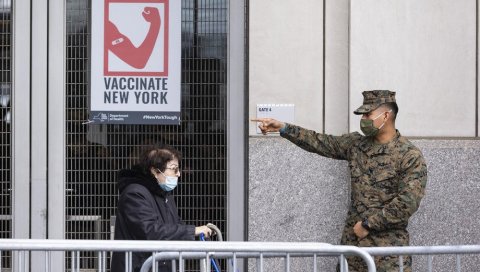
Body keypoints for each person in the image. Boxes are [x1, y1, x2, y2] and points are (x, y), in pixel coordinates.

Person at [253, 90, 427, 272]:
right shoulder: (357, 145)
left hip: (388, 253)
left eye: (368, 114)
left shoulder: (409, 155)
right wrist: (284, 128)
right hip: (353, 249)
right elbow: (320, 142)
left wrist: (369, 224)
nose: (364, 119)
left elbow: (408, 202)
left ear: (386, 115)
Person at [111, 144, 213, 272]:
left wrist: (197, 234)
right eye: (174, 169)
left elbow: (175, 224)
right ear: (154, 171)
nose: (179, 174)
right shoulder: (135, 194)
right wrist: (192, 231)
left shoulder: (163, 194)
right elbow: (150, 231)